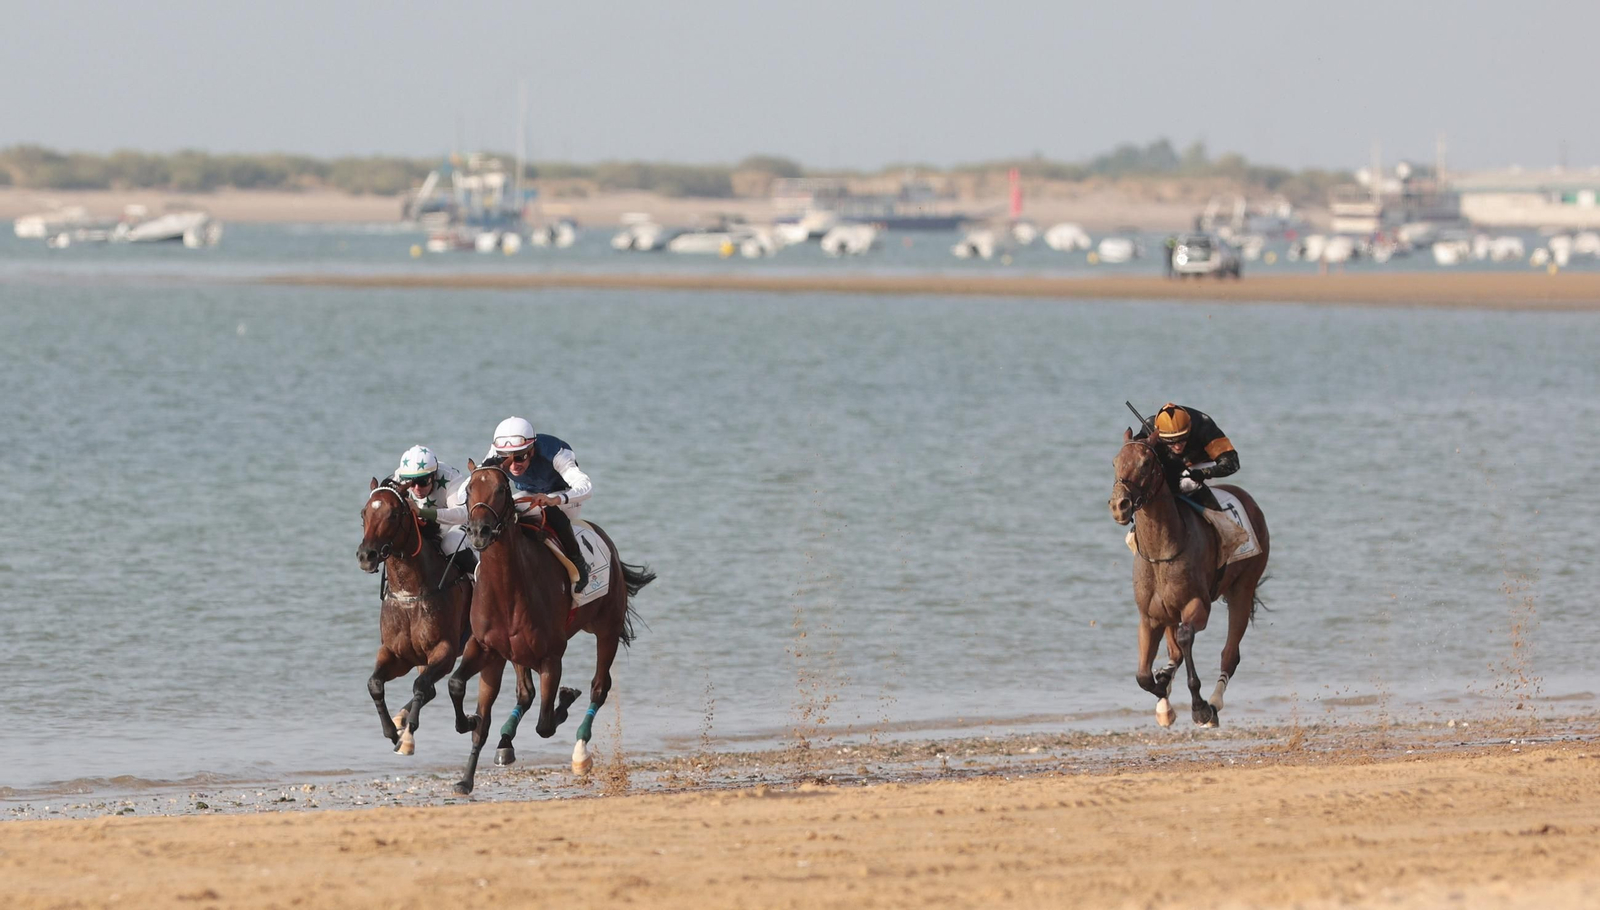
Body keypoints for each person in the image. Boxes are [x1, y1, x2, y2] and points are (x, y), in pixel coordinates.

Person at [484, 416, 592, 592]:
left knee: (545, 506)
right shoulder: (496, 453)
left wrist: (555, 499)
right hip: (531, 494)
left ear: (532, 450)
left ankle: (578, 561)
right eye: (507, 458)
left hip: (563, 496)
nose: (514, 465)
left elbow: (586, 486)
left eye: (520, 457)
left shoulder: (556, 452)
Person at [1134, 403, 1238, 510]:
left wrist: (1204, 472)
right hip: (1169, 468)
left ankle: (1220, 521)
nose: (1178, 447)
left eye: (1182, 439)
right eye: (1171, 442)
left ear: (1190, 427)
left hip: (1200, 465)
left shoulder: (1204, 425)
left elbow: (1232, 463)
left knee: (1189, 483)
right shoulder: (1148, 428)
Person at [392, 445, 474, 569]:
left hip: (457, 523)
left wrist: (421, 512)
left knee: (450, 544)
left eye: (423, 482)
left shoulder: (451, 477)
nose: (417, 489)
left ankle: (477, 579)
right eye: (411, 483)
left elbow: (462, 515)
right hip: (427, 524)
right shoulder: (400, 477)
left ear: (434, 476)